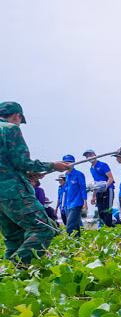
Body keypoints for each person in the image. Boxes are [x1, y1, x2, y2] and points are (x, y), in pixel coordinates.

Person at [0, 101, 70, 264]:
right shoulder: (10, 129)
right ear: (17, 116)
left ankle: (8, 275)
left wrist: (27, 174)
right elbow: (22, 162)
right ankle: (16, 266)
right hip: (12, 192)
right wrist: (53, 166)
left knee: (14, 237)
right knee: (44, 228)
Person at [84, 149, 115, 228]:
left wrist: (105, 186)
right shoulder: (91, 168)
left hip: (107, 189)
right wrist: (93, 196)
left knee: (107, 210)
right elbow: (96, 183)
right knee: (100, 211)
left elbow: (110, 178)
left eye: (90, 155)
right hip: (99, 191)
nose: (89, 157)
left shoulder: (103, 165)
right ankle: (104, 227)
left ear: (94, 155)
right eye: (87, 156)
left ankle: (109, 227)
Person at [61, 155, 88, 237]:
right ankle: (78, 241)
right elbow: (66, 190)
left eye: (70, 162)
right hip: (68, 204)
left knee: (70, 226)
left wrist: (85, 202)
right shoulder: (66, 175)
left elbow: (83, 188)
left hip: (76, 203)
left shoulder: (79, 174)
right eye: (66, 162)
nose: (68, 164)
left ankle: (71, 240)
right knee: (75, 226)